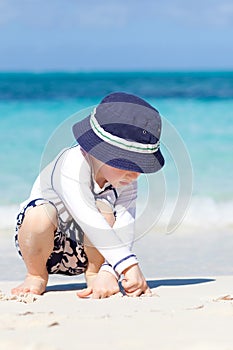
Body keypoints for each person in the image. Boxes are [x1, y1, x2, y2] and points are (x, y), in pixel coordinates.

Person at [11, 92, 165, 299]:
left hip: (89, 252)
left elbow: (125, 224)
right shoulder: (71, 164)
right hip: (43, 244)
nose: (135, 175)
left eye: (139, 165)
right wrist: (129, 266)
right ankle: (36, 275)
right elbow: (86, 215)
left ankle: (94, 274)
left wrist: (111, 271)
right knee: (39, 213)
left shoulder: (123, 180)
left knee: (106, 210)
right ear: (100, 151)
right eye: (128, 163)